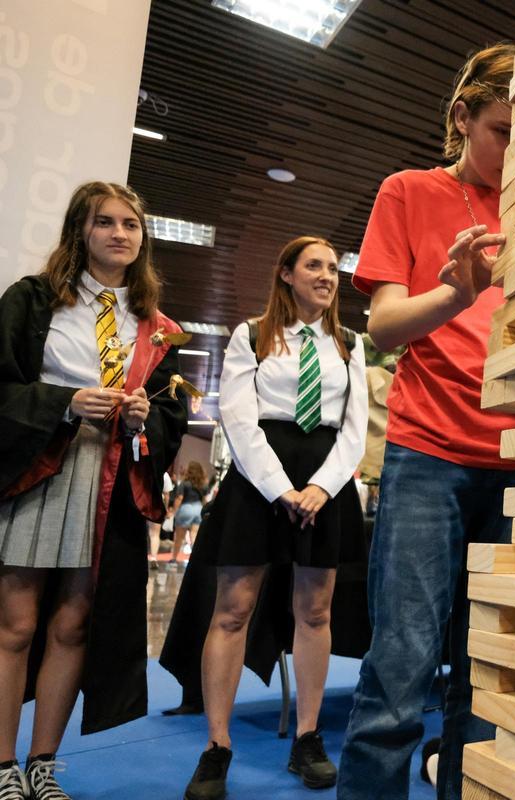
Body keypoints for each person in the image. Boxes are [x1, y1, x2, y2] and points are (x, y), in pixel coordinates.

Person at [337, 43, 515, 800]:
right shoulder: (409, 191)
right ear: (461, 118)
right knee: (401, 669)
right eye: (504, 132)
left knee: (488, 683)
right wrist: (453, 294)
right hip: (428, 456)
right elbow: (382, 327)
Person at [0, 181, 187, 800]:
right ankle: (3, 766)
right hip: (39, 463)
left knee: (73, 626)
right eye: (105, 222)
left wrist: (143, 419)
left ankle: (43, 765)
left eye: (131, 224)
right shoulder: (32, 301)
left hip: (110, 478)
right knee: (16, 624)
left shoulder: (155, 326)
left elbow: (169, 421)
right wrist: (63, 402)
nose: (119, 234)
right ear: (81, 230)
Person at [182, 236, 367, 800]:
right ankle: (217, 746)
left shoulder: (349, 343)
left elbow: (354, 428)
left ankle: (307, 739)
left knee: (315, 612)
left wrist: (319, 487)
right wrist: (280, 488)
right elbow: (238, 419)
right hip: (259, 480)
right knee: (232, 610)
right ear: (286, 273)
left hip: (324, 482)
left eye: (333, 268)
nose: (328, 276)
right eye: (315, 266)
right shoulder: (251, 333)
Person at [169, 461, 207, 568]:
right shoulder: (202, 486)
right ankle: (195, 561)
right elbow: (204, 500)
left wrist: (174, 511)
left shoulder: (185, 484)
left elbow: (179, 498)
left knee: (179, 537)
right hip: (198, 509)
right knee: (194, 536)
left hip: (186, 508)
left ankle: (174, 559)